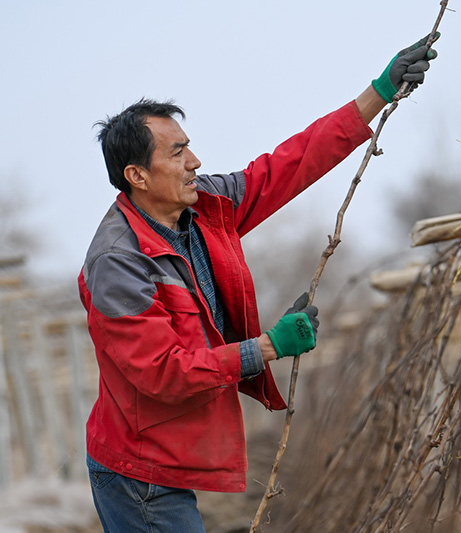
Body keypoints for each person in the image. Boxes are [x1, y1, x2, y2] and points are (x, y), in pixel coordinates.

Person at [78, 34, 438, 532]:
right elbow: (163, 372)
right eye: (178, 153)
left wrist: (376, 94)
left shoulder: (205, 207)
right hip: (138, 471)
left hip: (171, 452)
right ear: (137, 175)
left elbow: (287, 166)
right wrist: (268, 347)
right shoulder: (117, 263)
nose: (195, 162)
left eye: (189, 147)